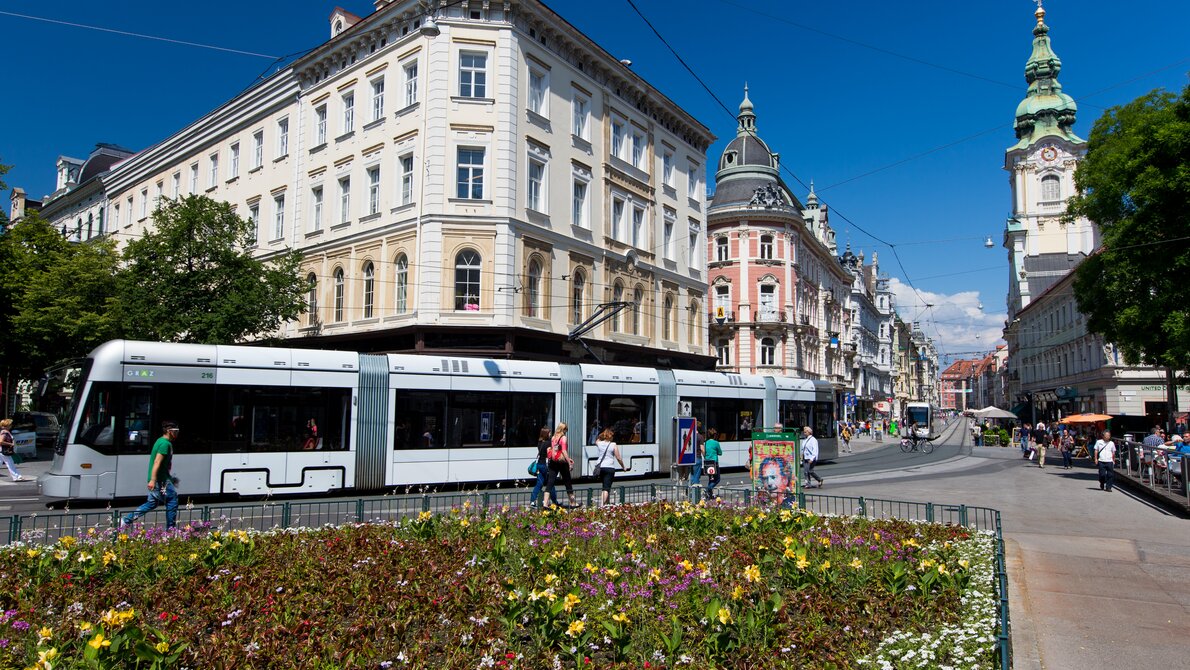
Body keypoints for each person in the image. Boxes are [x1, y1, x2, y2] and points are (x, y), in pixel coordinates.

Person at [122, 421, 181, 529]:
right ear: (169, 431)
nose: (177, 433)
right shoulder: (165, 444)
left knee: (152, 503)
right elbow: (157, 462)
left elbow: (162, 465)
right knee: (172, 500)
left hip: (162, 478)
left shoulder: (160, 441)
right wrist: (153, 480)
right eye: (175, 431)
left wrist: (170, 478)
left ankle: (126, 520)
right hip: (161, 480)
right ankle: (170, 529)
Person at [543, 423, 576, 508]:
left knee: (550, 482)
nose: (566, 432)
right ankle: (573, 502)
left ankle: (545, 503)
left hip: (553, 462)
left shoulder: (553, 437)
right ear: (563, 430)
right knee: (567, 481)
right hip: (562, 463)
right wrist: (569, 462)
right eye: (566, 430)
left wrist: (568, 459)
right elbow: (564, 451)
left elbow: (555, 450)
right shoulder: (563, 438)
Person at [592, 428, 626, 506]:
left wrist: (602, 434)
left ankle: (605, 504)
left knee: (604, 487)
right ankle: (603, 506)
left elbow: (597, 439)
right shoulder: (613, 445)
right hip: (609, 468)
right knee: (606, 488)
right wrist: (623, 467)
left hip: (600, 468)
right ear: (611, 436)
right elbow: (618, 458)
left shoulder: (599, 443)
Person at [529, 427, 557, 507]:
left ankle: (532, 501)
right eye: (549, 433)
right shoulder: (548, 443)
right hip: (546, 465)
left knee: (539, 484)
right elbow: (551, 452)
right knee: (550, 484)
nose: (550, 434)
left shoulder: (539, 442)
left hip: (539, 465)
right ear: (546, 434)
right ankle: (554, 501)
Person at [703, 428, 722, 499]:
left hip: (707, 462)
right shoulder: (716, 443)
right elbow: (720, 453)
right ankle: (708, 489)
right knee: (717, 479)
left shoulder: (706, 442)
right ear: (714, 435)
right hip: (714, 462)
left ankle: (709, 495)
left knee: (710, 479)